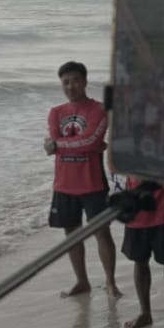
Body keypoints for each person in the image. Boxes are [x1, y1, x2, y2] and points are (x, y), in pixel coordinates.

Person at [44, 61, 121, 299]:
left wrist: (58, 146)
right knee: (71, 232)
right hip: (64, 183)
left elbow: (92, 142)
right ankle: (82, 281)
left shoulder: (99, 109)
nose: (70, 86)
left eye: (75, 80)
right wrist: (59, 146)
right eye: (65, 82)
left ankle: (110, 282)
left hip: (92, 182)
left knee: (102, 232)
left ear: (85, 82)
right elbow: (59, 145)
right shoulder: (56, 112)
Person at [119, 179, 164, 328]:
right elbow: (116, 166)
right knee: (139, 261)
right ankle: (145, 312)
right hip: (136, 209)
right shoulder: (128, 153)